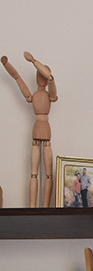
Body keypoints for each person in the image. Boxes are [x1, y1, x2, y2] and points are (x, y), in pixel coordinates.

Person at [1, 51, 58, 207]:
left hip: (44, 129)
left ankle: (44, 207)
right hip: (40, 128)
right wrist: (6, 64)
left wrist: (34, 61)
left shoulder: (48, 93)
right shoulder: (39, 95)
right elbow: (17, 78)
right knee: (36, 174)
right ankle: (32, 207)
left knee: (46, 174)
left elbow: (51, 82)